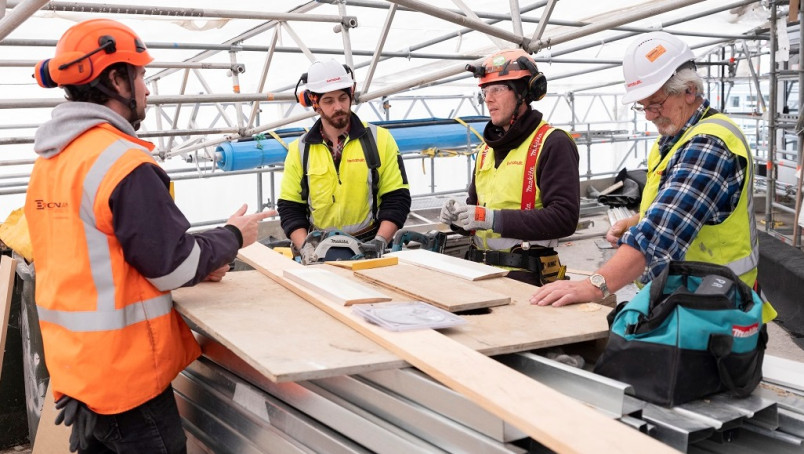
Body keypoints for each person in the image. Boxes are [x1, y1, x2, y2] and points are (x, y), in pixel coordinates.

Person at [25, 19, 273, 453]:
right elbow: (172, 265)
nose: (147, 89)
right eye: (140, 75)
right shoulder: (121, 163)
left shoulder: (53, 162)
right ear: (116, 79)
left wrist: (199, 260)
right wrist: (233, 235)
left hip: (80, 373)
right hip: (126, 382)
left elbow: (95, 258)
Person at [530, 31, 773, 317]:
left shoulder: (709, 145)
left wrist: (594, 286)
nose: (648, 115)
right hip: (691, 298)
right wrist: (636, 220)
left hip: (715, 311)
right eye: (643, 105)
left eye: (655, 103)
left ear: (689, 91)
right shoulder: (675, 137)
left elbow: (659, 236)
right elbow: (677, 208)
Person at [439, 49, 580, 286]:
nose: (488, 99)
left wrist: (491, 218)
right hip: (479, 273)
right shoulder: (486, 150)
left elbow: (564, 218)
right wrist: (459, 218)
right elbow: (478, 214)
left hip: (526, 278)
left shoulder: (553, 143)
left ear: (524, 93)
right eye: (485, 91)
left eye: (497, 89)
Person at [278, 59, 411, 264]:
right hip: (318, 252)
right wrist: (306, 247)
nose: (338, 107)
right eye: (329, 101)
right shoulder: (299, 150)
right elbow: (290, 207)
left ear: (351, 95)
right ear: (315, 104)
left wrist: (379, 242)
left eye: (342, 98)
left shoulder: (380, 140)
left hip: (368, 247)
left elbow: (397, 198)